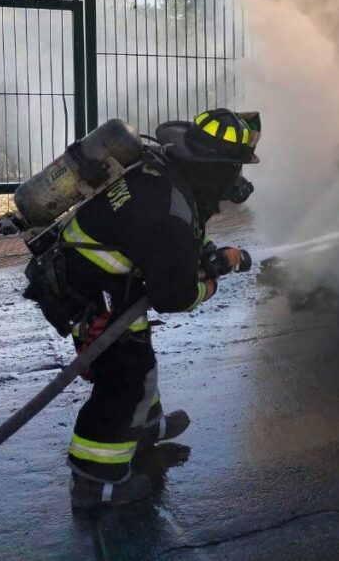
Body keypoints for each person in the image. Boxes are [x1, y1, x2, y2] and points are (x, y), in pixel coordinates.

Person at [53, 108, 259, 510]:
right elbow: (173, 296)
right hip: (87, 290)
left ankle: (144, 427)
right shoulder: (170, 213)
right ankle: (95, 481)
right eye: (233, 168)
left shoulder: (164, 172)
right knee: (125, 378)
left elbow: (166, 240)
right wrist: (209, 284)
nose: (236, 179)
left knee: (138, 357)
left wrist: (203, 254)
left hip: (106, 279)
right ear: (214, 169)